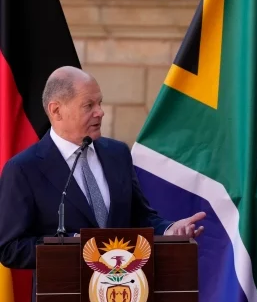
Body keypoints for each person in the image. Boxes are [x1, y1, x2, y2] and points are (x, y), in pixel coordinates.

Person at [0, 66, 205, 270]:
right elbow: (10, 248)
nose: (100, 112)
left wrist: (169, 230)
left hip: (125, 291)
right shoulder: (24, 169)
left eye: (99, 103)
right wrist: (67, 247)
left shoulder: (117, 153)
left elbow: (140, 217)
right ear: (56, 110)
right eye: (88, 105)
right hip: (64, 295)